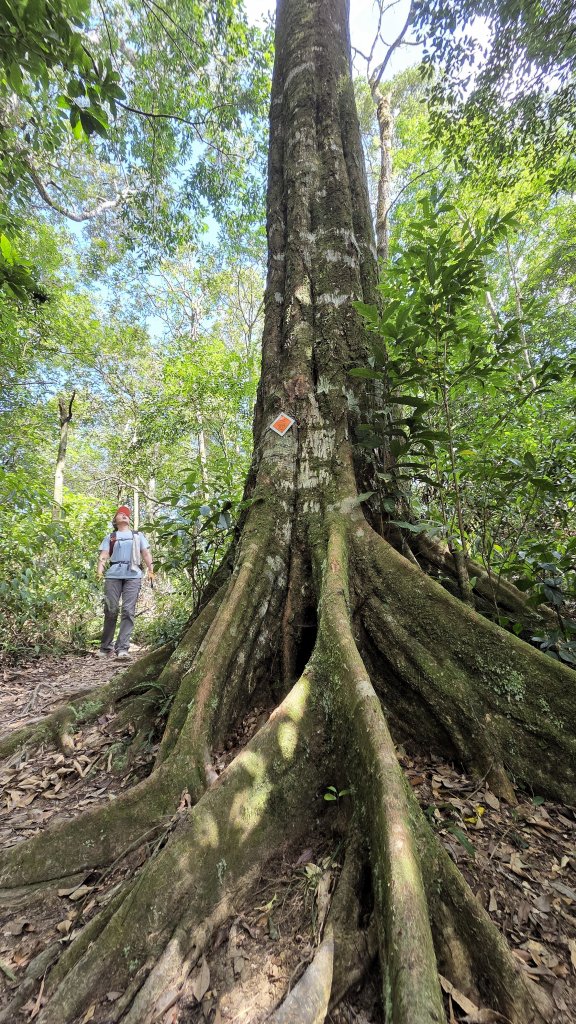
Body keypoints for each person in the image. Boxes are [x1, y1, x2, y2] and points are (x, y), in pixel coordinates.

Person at [96, 505, 154, 659]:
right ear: (115, 520)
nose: (124, 516)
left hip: (133, 575)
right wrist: (99, 571)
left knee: (128, 610)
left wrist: (151, 569)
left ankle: (122, 648)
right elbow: (104, 554)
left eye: (126, 514)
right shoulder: (111, 537)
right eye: (120, 514)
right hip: (113, 575)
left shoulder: (138, 535)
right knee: (111, 609)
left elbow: (146, 553)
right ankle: (105, 647)